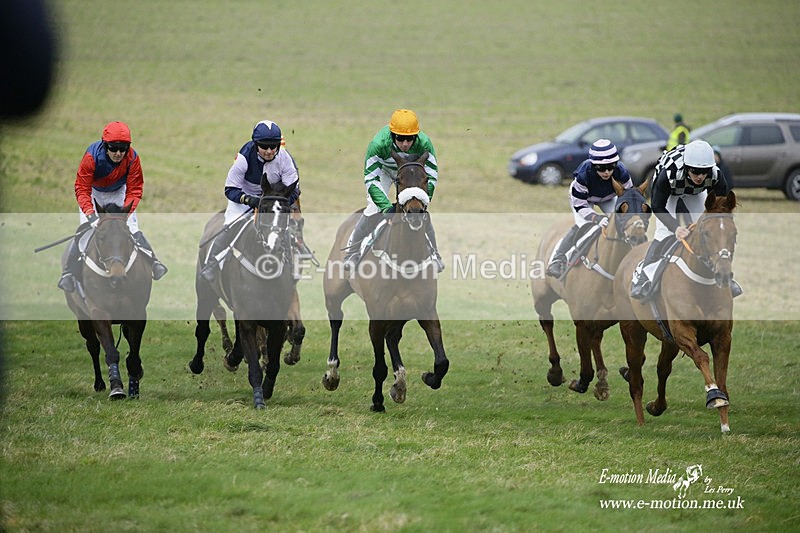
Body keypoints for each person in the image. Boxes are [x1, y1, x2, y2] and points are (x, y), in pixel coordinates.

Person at [58, 121, 168, 292]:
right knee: (84, 231)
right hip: (92, 194)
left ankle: (154, 262)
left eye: (122, 149)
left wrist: (124, 214)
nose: (118, 153)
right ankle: (68, 274)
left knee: (131, 228)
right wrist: (91, 215)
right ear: (105, 145)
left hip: (119, 193)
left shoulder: (132, 158)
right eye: (113, 148)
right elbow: (82, 188)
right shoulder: (91, 157)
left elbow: (135, 189)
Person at [630, 139, 738, 300]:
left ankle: (723, 274)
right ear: (687, 168)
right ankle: (644, 278)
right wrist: (675, 228)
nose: (700, 177)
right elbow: (658, 206)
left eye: (704, 172)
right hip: (670, 194)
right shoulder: (668, 175)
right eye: (695, 172)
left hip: (695, 194)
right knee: (663, 234)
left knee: (708, 232)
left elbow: (719, 209)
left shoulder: (715, 174)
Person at [200, 119, 301, 282]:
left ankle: (290, 267)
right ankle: (210, 264)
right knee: (231, 225)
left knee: (282, 228)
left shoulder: (284, 158)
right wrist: (248, 200)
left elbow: (295, 189)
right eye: (264, 146)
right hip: (245, 199)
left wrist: (280, 202)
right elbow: (230, 189)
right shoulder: (244, 157)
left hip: (272, 200)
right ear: (256, 145)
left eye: (273, 146)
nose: (269, 151)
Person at [343, 109, 443, 272]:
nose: (405, 144)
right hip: (383, 171)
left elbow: (431, 176)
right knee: (373, 208)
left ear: (416, 136)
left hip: (410, 175)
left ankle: (435, 254)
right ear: (392, 135)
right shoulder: (378, 144)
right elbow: (371, 179)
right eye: (400, 138)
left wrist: (424, 199)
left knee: (420, 210)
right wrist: (385, 207)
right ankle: (352, 253)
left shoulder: (425, 143)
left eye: (410, 139)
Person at [546, 139, 634, 278]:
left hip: (608, 197)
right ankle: (558, 259)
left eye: (611, 166)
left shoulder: (621, 172)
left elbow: (629, 196)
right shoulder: (583, 175)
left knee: (623, 222)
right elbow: (580, 205)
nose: (607, 172)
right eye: (601, 168)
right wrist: (596, 217)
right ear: (594, 165)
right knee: (586, 226)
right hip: (583, 200)